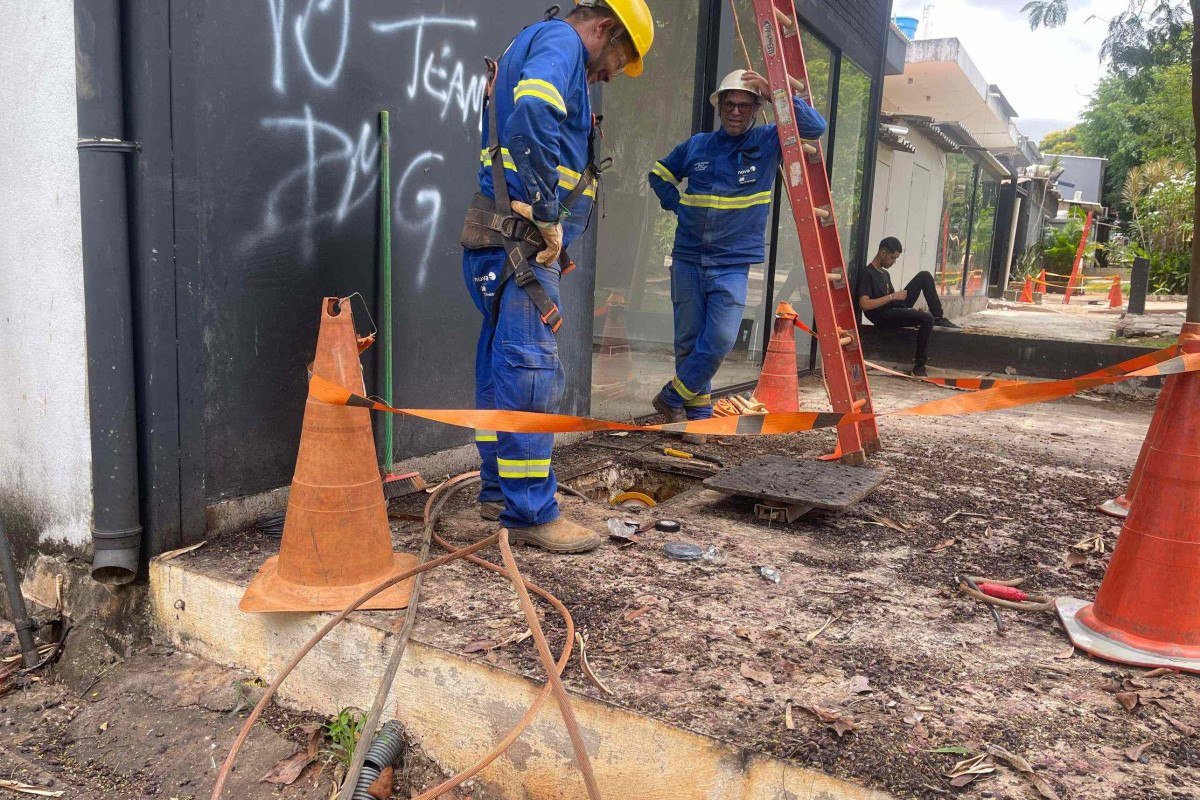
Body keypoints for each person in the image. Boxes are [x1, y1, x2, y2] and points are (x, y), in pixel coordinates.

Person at [458, 0, 654, 553]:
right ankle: (529, 514)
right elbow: (534, 117)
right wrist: (546, 215)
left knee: (501, 367)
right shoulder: (563, 44)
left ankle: (498, 492)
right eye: (619, 59)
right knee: (530, 371)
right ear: (605, 28)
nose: (611, 74)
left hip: (499, 241)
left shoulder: (534, 41)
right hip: (522, 244)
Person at [647, 70, 826, 441]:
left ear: (756, 109)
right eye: (728, 104)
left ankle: (671, 396)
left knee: (722, 339)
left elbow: (815, 126)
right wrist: (677, 205)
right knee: (688, 340)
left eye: (744, 104)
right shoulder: (697, 145)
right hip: (688, 259)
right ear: (719, 107)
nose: (735, 111)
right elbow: (658, 173)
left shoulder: (767, 141)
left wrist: (773, 90)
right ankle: (697, 418)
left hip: (731, 264)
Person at [855, 237, 960, 377]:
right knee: (926, 319)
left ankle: (938, 316)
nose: (894, 262)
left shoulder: (885, 273)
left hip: (893, 308)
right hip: (881, 316)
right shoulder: (867, 274)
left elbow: (894, 302)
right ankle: (919, 366)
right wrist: (893, 297)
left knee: (924, 276)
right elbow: (864, 304)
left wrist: (910, 311)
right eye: (892, 258)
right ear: (883, 252)